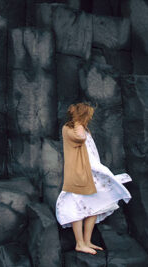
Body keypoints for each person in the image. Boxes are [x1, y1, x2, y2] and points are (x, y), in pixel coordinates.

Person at [55, 103, 132, 254]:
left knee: (96, 201)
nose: (89, 119)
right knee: (75, 204)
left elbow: (91, 152)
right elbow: (80, 138)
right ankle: (80, 243)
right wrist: (78, 122)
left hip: (91, 172)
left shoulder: (83, 129)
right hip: (77, 173)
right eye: (87, 116)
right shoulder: (69, 129)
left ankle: (87, 241)